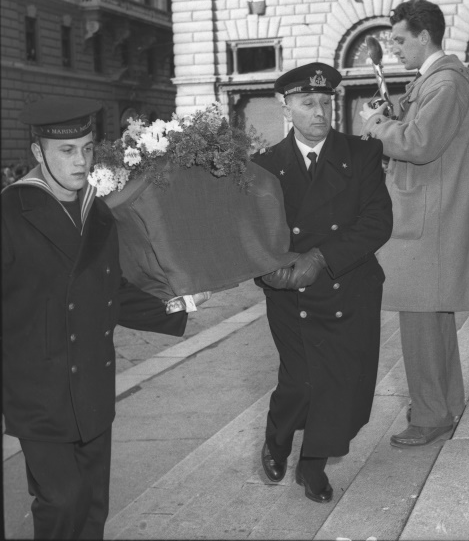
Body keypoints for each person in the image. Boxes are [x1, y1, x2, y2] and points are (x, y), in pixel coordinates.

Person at [1, 97, 209, 539]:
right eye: (67, 151)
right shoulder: (10, 212)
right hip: (38, 389)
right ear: (38, 152)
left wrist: (180, 303)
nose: (81, 161)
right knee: (62, 500)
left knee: (94, 506)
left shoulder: (97, 210)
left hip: (93, 383)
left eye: (87, 148)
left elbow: (111, 292)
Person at [251, 63, 392, 503]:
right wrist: (267, 269)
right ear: (286, 109)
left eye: (326, 102)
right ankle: (277, 439)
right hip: (290, 292)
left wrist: (321, 257)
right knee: (301, 380)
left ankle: (312, 466)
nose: (319, 112)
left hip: (347, 284)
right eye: (308, 103)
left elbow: (377, 222)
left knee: (338, 385)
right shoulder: (264, 165)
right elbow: (252, 233)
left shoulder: (362, 153)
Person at [360, 0, 469, 448]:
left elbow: (419, 144)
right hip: (429, 213)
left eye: (399, 39)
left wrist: (377, 124)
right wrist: (391, 118)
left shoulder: (444, 85)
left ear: (423, 36)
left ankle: (430, 415)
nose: (394, 47)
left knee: (419, 323)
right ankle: (445, 405)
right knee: (434, 319)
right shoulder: (438, 82)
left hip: (426, 218)